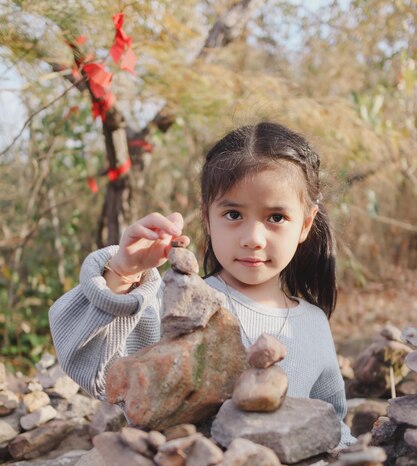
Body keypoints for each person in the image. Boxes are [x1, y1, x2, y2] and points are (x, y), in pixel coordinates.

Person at [49, 121, 356, 447]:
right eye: (234, 215)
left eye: (276, 218)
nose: (253, 238)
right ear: (206, 217)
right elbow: (97, 371)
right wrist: (124, 274)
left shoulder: (313, 323)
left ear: (306, 223)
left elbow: (331, 424)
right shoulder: (180, 307)